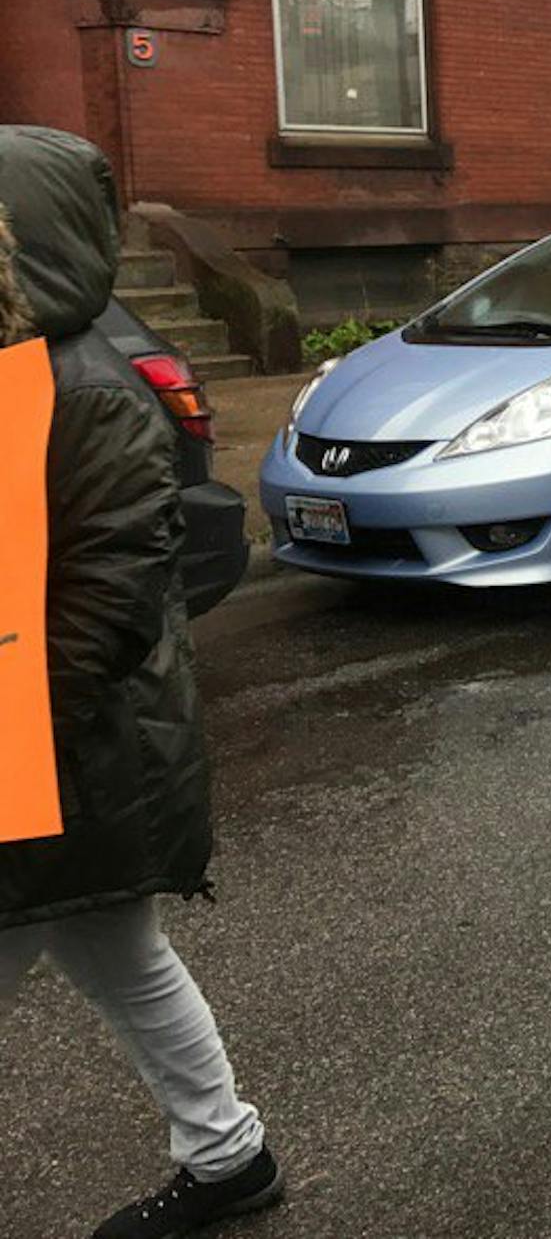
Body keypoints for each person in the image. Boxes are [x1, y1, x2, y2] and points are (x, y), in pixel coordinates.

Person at [0, 128, 281, 1237]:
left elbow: (106, 599)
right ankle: (229, 1156)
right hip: (60, 753)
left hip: (71, 752)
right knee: (121, 952)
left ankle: (229, 1155)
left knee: (116, 950)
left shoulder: (85, 390)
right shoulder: (17, 375)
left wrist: (23, 739)